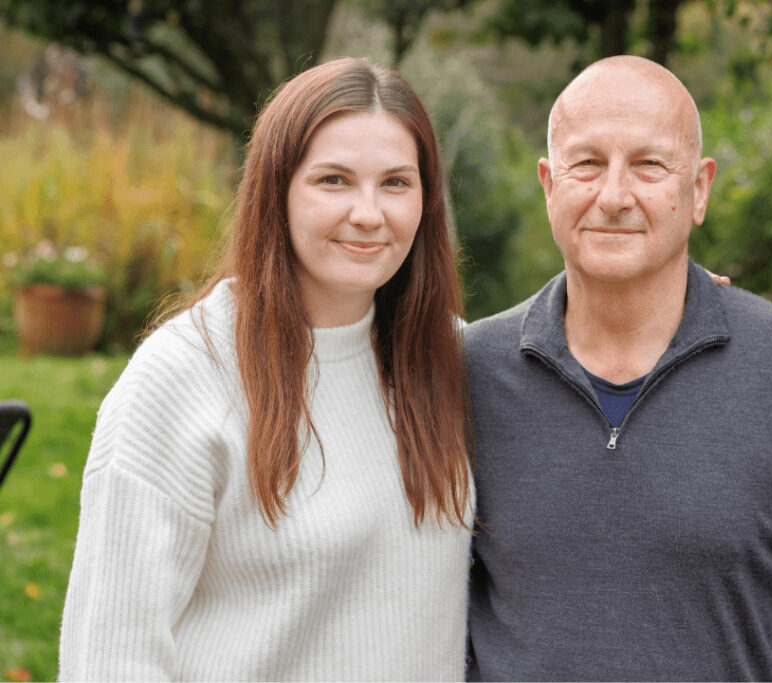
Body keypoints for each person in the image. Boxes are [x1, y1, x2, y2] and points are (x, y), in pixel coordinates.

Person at [464, 55, 772, 681]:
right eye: (586, 163)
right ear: (549, 185)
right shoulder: (469, 373)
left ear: (698, 190)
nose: (613, 196)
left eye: (648, 165)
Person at [59, 57, 472, 680]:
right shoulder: (182, 378)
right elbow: (111, 656)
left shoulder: (454, 361)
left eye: (396, 182)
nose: (369, 213)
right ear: (275, 190)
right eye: (333, 180)